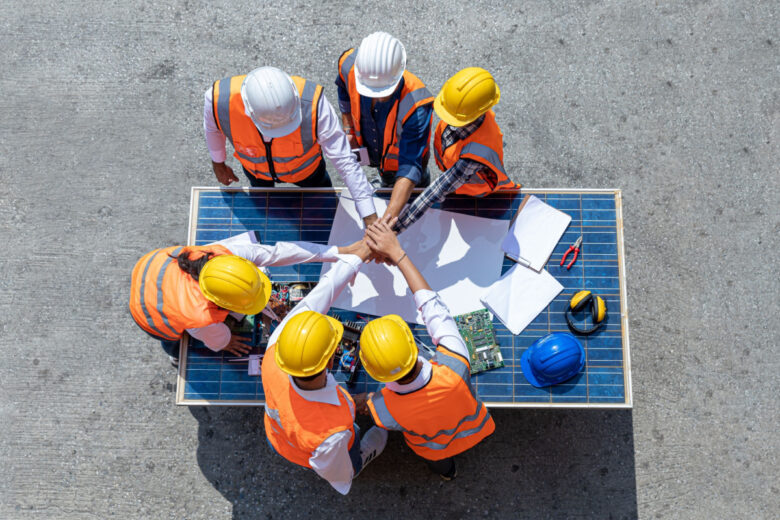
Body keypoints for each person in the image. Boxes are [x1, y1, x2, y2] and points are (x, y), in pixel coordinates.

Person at [358, 219, 495, 480]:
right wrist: (397, 253)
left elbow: (362, 406)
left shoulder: (384, 409)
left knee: (439, 461)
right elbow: (433, 307)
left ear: (376, 373)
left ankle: (447, 472)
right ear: (412, 342)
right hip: (474, 428)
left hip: (432, 449)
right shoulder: (456, 364)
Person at [261, 241, 388, 495]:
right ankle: (364, 456)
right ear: (331, 361)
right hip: (308, 452)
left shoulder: (275, 352)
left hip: (276, 435)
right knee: (351, 462)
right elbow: (336, 473)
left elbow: (320, 295)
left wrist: (357, 256)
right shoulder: (333, 435)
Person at [129, 232, 367, 365]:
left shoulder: (222, 256)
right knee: (175, 337)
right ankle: (173, 353)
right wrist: (226, 343)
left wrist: (338, 253)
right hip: (148, 315)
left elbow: (278, 252)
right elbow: (216, 340)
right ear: (224, 305)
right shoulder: (201, 316)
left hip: (150, 267)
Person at [204, 66, 377, 226]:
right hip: (257, 173)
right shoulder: (218, 100)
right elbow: (213, 128)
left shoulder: (314, 104)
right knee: (266, 218)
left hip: (309, 174)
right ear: (250, 111)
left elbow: (344, 160)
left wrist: (369, 215)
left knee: (324, 217)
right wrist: (217, 163)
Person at [393, 67, 520, 234]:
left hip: (477, 195)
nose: (446, 118)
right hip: (455, 183)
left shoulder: (477, 153)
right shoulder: (466, 110)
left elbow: (436, 191)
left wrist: (396, 228)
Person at [336, 32, 434, 223]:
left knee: (415, 201)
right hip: (377, 156)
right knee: (386, 180)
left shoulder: (417, 104)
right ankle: (385, 183)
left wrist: (385, 224)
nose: (378, 98)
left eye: (384, 92)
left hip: (400, 166)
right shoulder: (349, 66)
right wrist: (348, 129)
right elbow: (343, 90)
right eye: (371, 91)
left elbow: (409, 167)